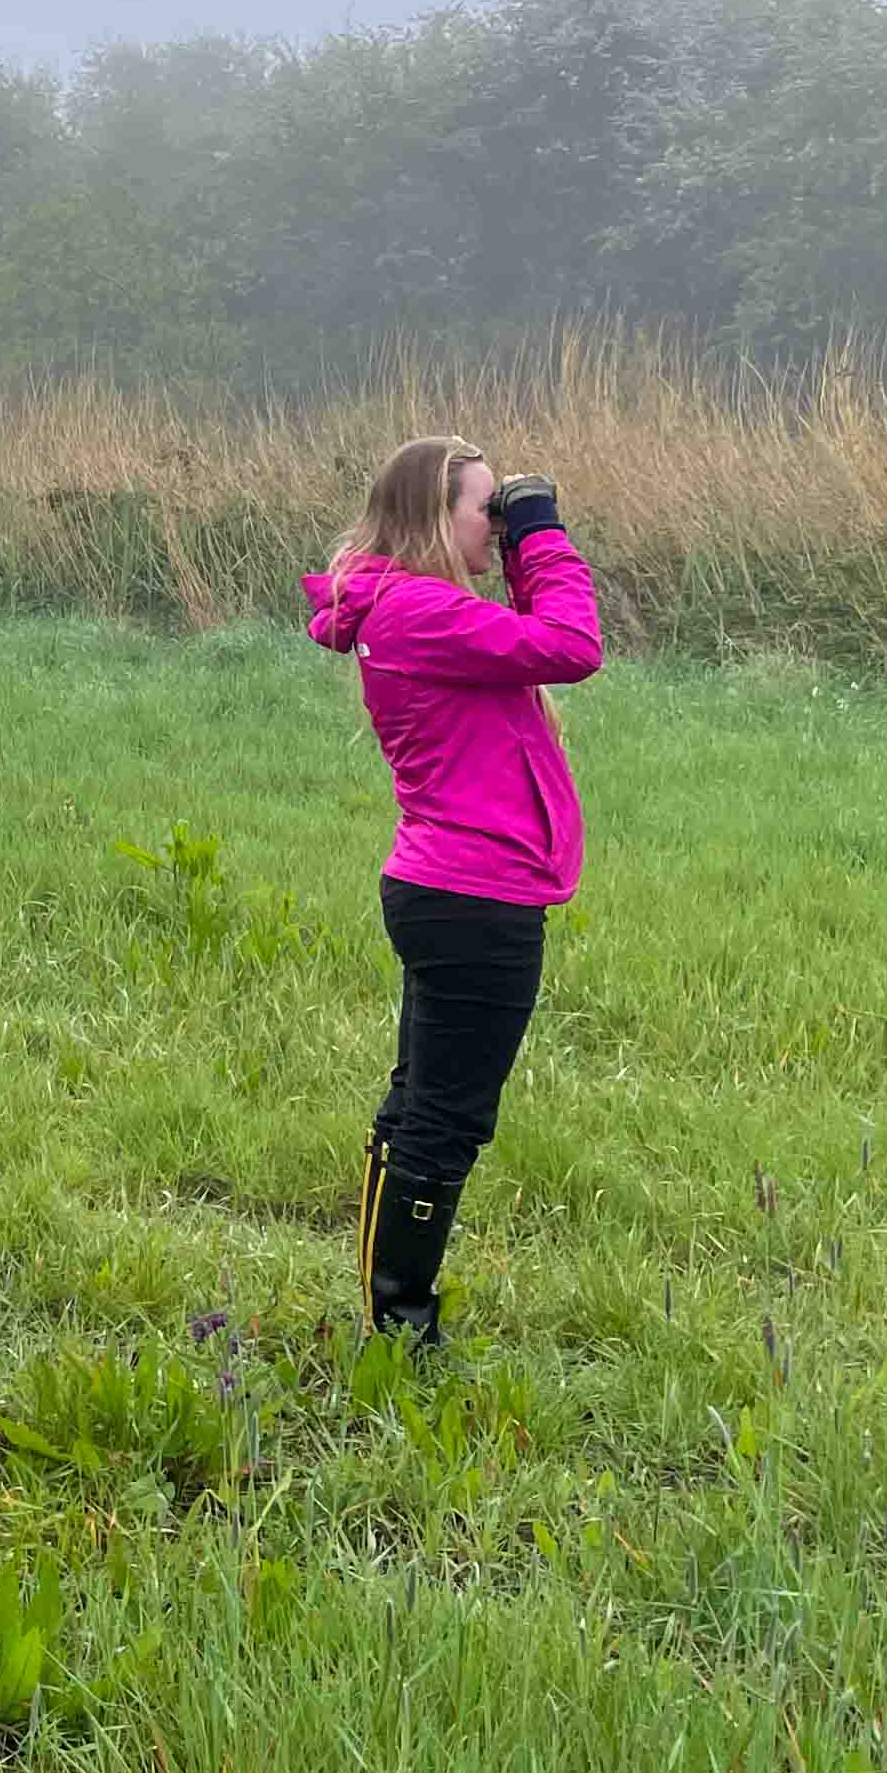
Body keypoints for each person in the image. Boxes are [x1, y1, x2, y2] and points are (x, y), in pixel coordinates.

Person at [302, 439, 602, 1345]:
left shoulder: (411, 608)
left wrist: (515, 547)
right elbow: (571, 645)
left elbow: (538, 649)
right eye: (488, 511)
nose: (498, 527)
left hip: (459, 891)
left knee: (420, 1110)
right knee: (443, 1122)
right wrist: (544, 540)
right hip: (474, 898)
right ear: (438, 517)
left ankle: (390, 1312)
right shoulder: (421, 614)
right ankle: (399, 1325)